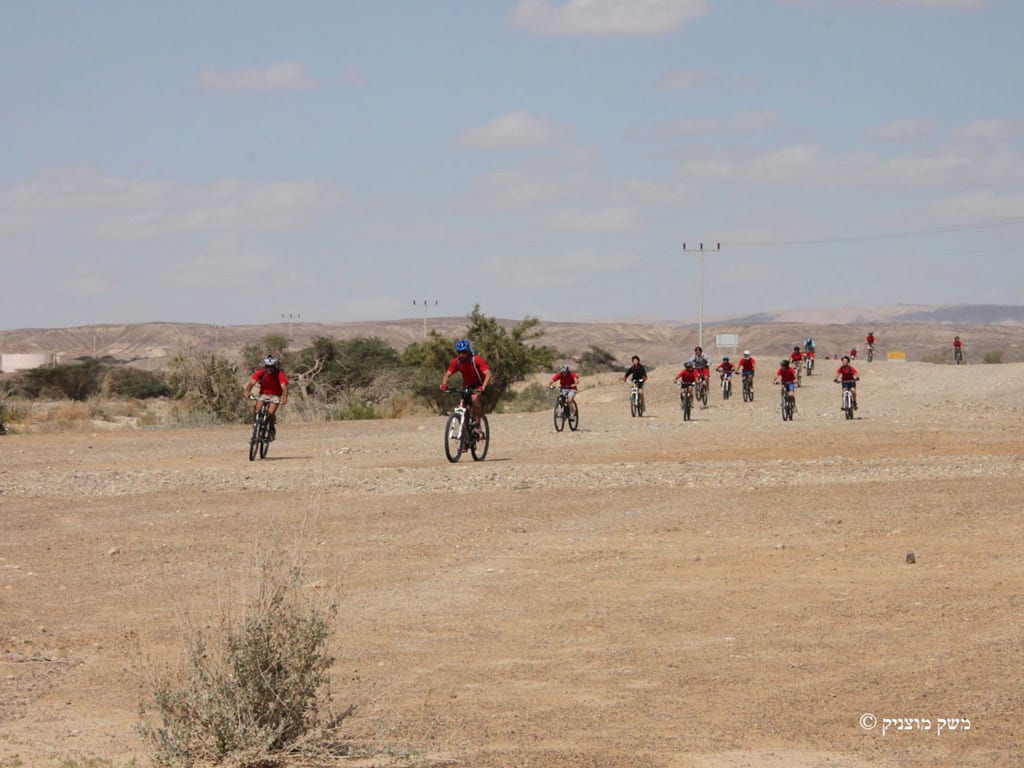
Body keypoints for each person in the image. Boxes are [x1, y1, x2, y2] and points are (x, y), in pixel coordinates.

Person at [440, 339, 492, 432]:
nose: (461, 355)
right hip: (467, 386)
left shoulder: (476, 360)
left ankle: (478, 424)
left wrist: (483, 386)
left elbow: (488, 374)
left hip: (478, 385)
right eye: (459, 352)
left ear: (468, 351)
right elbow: (447, 374)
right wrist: (444, 384)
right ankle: (465, 438)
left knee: (474, 399)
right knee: (464, 409)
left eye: (464, 352)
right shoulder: (457, 361)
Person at [243, 355, 289, 440]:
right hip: (264, 394)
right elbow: (252, 383)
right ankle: (255, 424)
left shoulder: (279, 374)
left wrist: (285, 398)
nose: (269, 369)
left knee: (271, 413)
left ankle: (271, 428)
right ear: (265, 366)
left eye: (271, 367)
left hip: (275, 395)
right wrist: (247, 392)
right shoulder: (261, 372)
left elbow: (284, 387)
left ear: (274, 367)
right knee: (257, 409)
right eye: (268, 367)